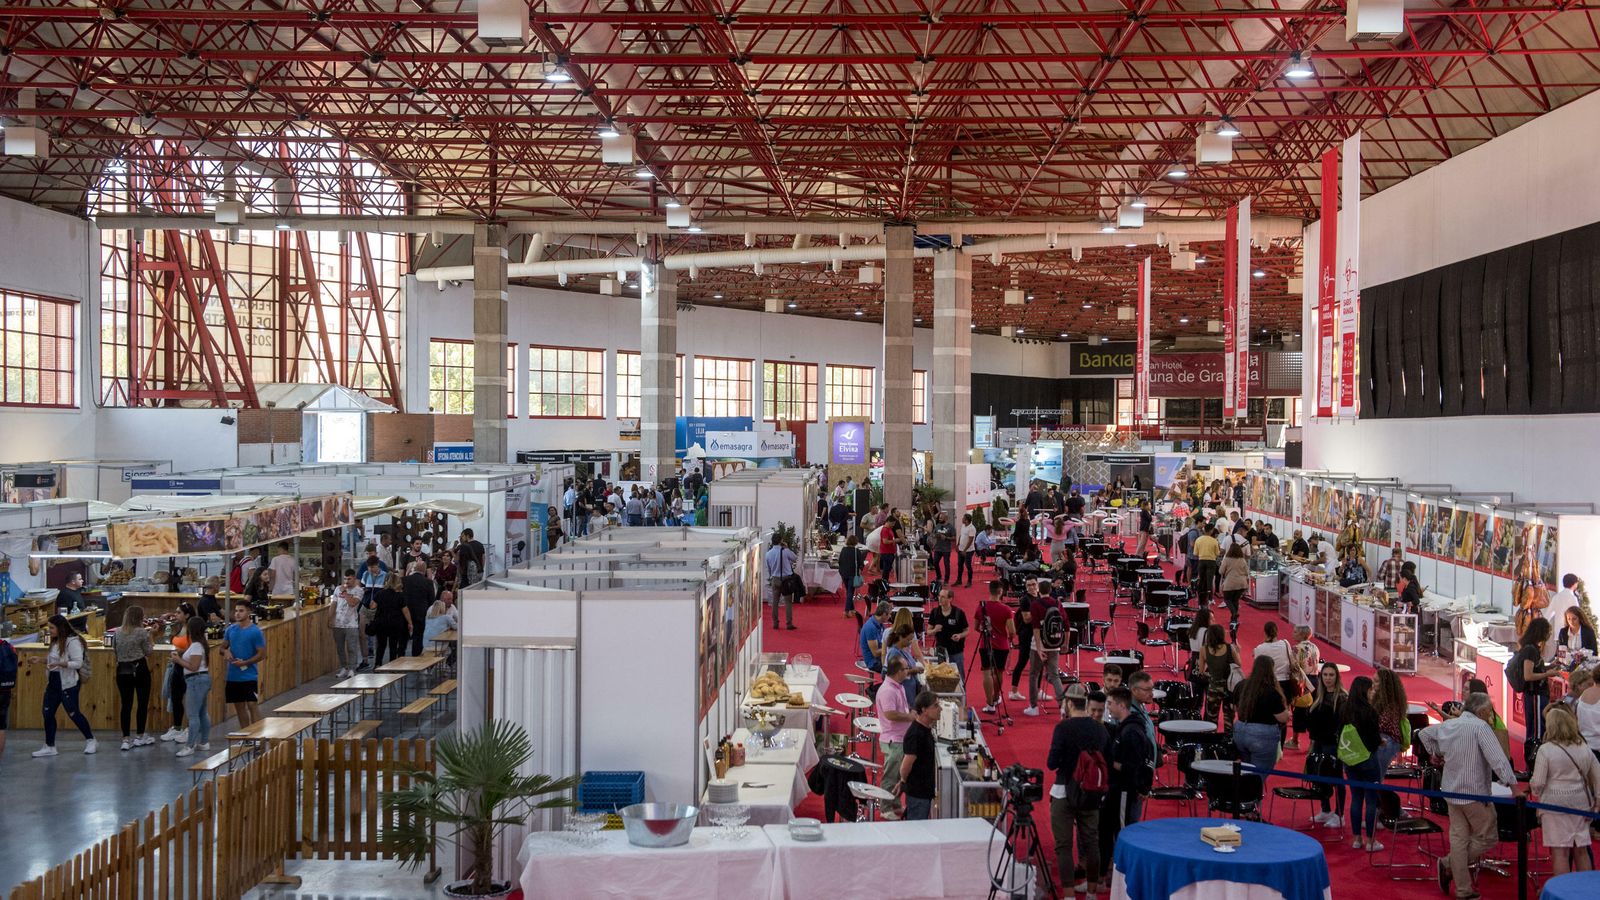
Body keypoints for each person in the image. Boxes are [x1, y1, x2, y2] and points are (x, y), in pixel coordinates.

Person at [1421, 692, 1521, 895]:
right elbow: (1498, 759)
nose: (1490, 715)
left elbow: (1424, 734)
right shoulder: (1480, 727)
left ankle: (1463, 889)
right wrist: (1514, 787)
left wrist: (1435, 754)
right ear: (1482, 711)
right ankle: (1449, 866)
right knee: (1488, 837)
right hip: (1474, 794)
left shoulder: (1450, 725)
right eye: (1489, 711)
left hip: (1451, 791)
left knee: (1459, 839)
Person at [1049, 685, 1111, 898]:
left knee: (1064, 845)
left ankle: (1068, 895)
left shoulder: (1063, 728)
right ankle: (1092, 893)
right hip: (1091, 793)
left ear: (1068, 703)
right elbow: (1107, 761)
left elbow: (1051, 763)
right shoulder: (1100, 730)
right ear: (1085, 703)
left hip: (1064, 791)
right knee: (1092, 843)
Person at [1531, 706, 1600, 876]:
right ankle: (1585, 888)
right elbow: (1598, 776)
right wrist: (1598, 801)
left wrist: (1532, 786)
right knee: (1581, 850)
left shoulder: (1546, 750)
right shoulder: (1584, 747)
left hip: (1554, 805)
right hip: (1581, 803)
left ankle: (1562, 889)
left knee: (1560, 853)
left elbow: (1538, 784)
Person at [1103, 687, 1154, 878]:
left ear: (1121, 705)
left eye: (1110, 704)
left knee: (1123, 832)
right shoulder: (1128, 727)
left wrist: (1110, 763)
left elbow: (1133, 766)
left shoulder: (1130, 732)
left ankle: (1124, 874)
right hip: (1124, 788)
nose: (1108, 708)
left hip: (1125, 789)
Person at [32, 614, 96, 757]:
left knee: (73, 713)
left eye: (52, 628)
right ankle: (49, 746)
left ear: (60, 628)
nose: (49, 630)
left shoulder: (73, 641)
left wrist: (61, 664)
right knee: (47, 713)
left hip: (68, 683)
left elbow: (77, 663)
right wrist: (41, 660)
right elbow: (53, 660)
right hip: (53, 682)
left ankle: (91, 740)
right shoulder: (55, 641)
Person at [1343, 676, 1386, 852]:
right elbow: (1374, 738)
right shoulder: (1370, 712)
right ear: (1365, 691)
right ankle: (1370, 841)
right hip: (1368, 760)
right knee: (1371, 801)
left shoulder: (1345, 710)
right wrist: (1380, 742)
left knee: (1356, 799)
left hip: (1350, 760)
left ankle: (1356, 839)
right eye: (1371, 689)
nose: (1373, 692)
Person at [1306, 662, 1347, 827]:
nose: (1328, 678)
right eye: (1325, 675)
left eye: (1331, 675)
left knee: (1337, 779)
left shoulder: (1342, 698)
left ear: (1337, 677)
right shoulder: (1318, 695)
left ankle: (1340, 814)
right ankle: (1325, 809)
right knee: (1318, 775)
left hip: (1334, 745)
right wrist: (1312, 743)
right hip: (1318, 742)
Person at [1233, 656, 1289, 774]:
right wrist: (1288, 713)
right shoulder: (1272, 691)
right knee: (1257, 776)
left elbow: (1234, 707)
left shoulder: (1241, 685)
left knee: (1245, 771)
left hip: (1240, 732)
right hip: (1262, 735)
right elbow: (1282, 717)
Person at [875, 658, 915, 819]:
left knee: (900, 775)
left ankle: (896, 803)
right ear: (898, 671)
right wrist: (910, 717)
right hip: (893, 739)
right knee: (891, 776)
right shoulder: (888, 691)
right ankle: (885, 808)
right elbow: (890, 714)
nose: (908, 671)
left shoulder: (898, 686)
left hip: (901, 737)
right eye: (906, 668)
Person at [113, 605, 155, 751]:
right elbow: (148, 651)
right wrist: (152, 636)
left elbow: (115, 650)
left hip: (122, 669)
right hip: (139, 669)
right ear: (139, 618)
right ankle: (140, 736)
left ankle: (125, 739)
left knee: (126, 704)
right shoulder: (142, 632)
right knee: (142, 703)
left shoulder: (117, 632)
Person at [170, 616, 212, 758]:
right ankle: (204, 742)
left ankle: (189, 745)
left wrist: (178, 660)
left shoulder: (196, 646)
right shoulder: (200, 645)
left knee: (193, 715)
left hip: (195, 681)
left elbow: (193, 666)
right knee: (202, 712)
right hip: (201, 680)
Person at [896, 690, 940, 820]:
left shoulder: (925, 729)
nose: (940, 709)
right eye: (936, 706)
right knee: (917, 828)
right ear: (924, 710)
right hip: (918, 794)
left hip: (923, 792)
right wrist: (903, 781)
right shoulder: (915, 735)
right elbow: (905, 767)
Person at [1023, 579, 1064, 717]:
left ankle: (1033, 707)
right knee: (1055, 675)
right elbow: (1066, 624)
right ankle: (1063, 706)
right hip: (1054, 644)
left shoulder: (1035, 604)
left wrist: (1039, 648)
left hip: (1038, 646)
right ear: (1050, 590)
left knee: (1034, 675)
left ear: (1039, 590)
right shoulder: (1057, 603)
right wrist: (1064, 643)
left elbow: (1035, 628)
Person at [221, 600, 266, 728]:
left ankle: (257, 735)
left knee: (252, 705)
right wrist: (226, 651)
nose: (237, 614)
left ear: (249, 612)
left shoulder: (255, 632)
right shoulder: (230, 630)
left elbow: (261, 654)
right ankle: (245, 735)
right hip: (233, 676)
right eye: (236, 611)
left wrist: (245, 662)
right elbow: (222, 648)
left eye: (241, 611)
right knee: (240, 708)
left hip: (249, 675)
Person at [976, 582, 1016, 713]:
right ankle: (996, 696)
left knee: (986, 673)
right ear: (1001, 592)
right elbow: (1012, 631)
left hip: (985, 644)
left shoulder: (981, 607)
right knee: (998, 672)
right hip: (1001, 645)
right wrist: (1009, 638)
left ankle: (989, 704)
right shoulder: (1006, 609)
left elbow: (976, 627)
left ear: (989, 590)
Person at [1516, 618, 1554, 742]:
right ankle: (1534, 751)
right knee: (1537, 730)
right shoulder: (1530, 650)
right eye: (1548, 631)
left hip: (1537, 694)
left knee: (1537, 727)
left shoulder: (1532, 648)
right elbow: (1528, 675)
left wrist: (1550, 667)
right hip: (1535, 694)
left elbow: (1536, 669)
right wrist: (1547, 674)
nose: (1549, 635)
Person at [927, 587, 969, 683]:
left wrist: (960, 636)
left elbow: (967, 630)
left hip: (956, 651)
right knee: (940, 678)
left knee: (959, 678)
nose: (940, 599)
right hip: (940, 651)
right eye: (939, 596)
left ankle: (962, 693)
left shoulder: (959, 613)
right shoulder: (935, 612)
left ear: (950, 599)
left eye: (943, 597)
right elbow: (928, 631)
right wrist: (935, 630)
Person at [1009, 578, 1041, 703]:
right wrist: (1039, 611)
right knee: (1022, 662)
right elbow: (1026, 619)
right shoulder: (1025, 600)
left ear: (1037, 584)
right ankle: (1013, 691)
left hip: (1037, 633)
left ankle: (1038, 690)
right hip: (1026, 634)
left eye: (1033, 584)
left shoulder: (1039, 597)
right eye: (1029, 585)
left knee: (1039, 662)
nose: (1031, 587)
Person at [1200, 624, 1239, 726]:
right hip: (1229, 688)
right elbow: (1239, 664)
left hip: (1213, 688)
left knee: (1211, 720)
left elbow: (1201, 671)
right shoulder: (1230, 648)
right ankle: (1228, 736)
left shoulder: (1204, 649)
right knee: (1229, 719)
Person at [330, 569, 362, 678]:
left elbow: (352, 603)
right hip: (338, 623)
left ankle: (352, 669)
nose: (346, 581)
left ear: (354, 578)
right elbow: (333, 604)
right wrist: (330, 618)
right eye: (345, 579)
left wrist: (344, 593)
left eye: (349, 579)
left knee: (351, 647)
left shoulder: (358, 591)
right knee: (340, 648)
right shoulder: (337, 589)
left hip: (351, 624)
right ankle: (344, 667)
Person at [401, 561, 435, 656]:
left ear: (414, 569)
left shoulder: (404, 580)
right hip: (421, 613)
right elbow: (431, 600)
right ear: (424, 570)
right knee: (418, 636)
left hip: (405, 612)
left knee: (403, 636)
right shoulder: (428, 582)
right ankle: (416, 657)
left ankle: (400, 655)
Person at [885, 624, 925, 705]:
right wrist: (913, 670)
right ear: (900, 637)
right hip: (904, 690)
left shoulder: (903, 650)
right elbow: (895, 674)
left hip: (910, 688)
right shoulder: (894, 653)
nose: (910, 642)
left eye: (911, 640)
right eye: (908, 640)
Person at [765, 537, 799, 631]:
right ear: (781, 541)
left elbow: (768, 567)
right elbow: (795, 558)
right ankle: (789, 623)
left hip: (775, 579)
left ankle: (775, 623)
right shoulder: (785, 551)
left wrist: (772, 575)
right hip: (786, 579)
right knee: (788, 602)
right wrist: (787, 548)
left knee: (775, 602)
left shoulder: (768, 554)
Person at [1218, 542, 1249, 633]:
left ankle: (1234, 613)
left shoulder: (1227, 559)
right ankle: (1234, 619)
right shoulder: (1242, 560)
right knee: (1235, 600)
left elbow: (1221, 571)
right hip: (1241, 584)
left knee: (1227, 599)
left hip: (1230, 583)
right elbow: (1247, 572)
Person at [858, 601, 892, 673]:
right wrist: (891, 648)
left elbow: (886, 641)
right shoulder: (871, 628)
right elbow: (875, 653)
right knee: (899, 669)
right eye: (889, 614)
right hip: (873, 663)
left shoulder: (880, 624)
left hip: (881, 657)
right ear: (884, 614)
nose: (890, 616)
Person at [1192, 526, 1221, 607]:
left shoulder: (1198, 539)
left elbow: (1195, 553)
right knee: (1209, 581)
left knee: (1201, 580)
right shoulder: (1214, 541)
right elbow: (1217, 553)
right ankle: (1210, 599)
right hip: (1211, 562)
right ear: (1211, 531)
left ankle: (1200, 599)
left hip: (1201, 561)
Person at [929, 512, 954, 584]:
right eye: (939, 518)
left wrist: (946, 538)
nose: (939, 519)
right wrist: (935, 536)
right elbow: (933, 535)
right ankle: (939, 576)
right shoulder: (937, 526)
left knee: (946, 564)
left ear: (946, 518)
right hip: (938, 548)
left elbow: (954, 538)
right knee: (935, 562)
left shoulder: (951, 527)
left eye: (941, 518)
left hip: (946, 549)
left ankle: (946, 580)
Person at [956, 513, 977, 587]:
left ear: (967, 520)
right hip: (961, 549)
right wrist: (958, 544)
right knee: (960, 565)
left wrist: (965, 550)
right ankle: (959, 580)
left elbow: (970, 540)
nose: (962, 519)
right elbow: (961, 535)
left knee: (968, 566)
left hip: (968, 551)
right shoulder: (963, 526)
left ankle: (969, 581)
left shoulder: (972, 528)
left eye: (963, 518)